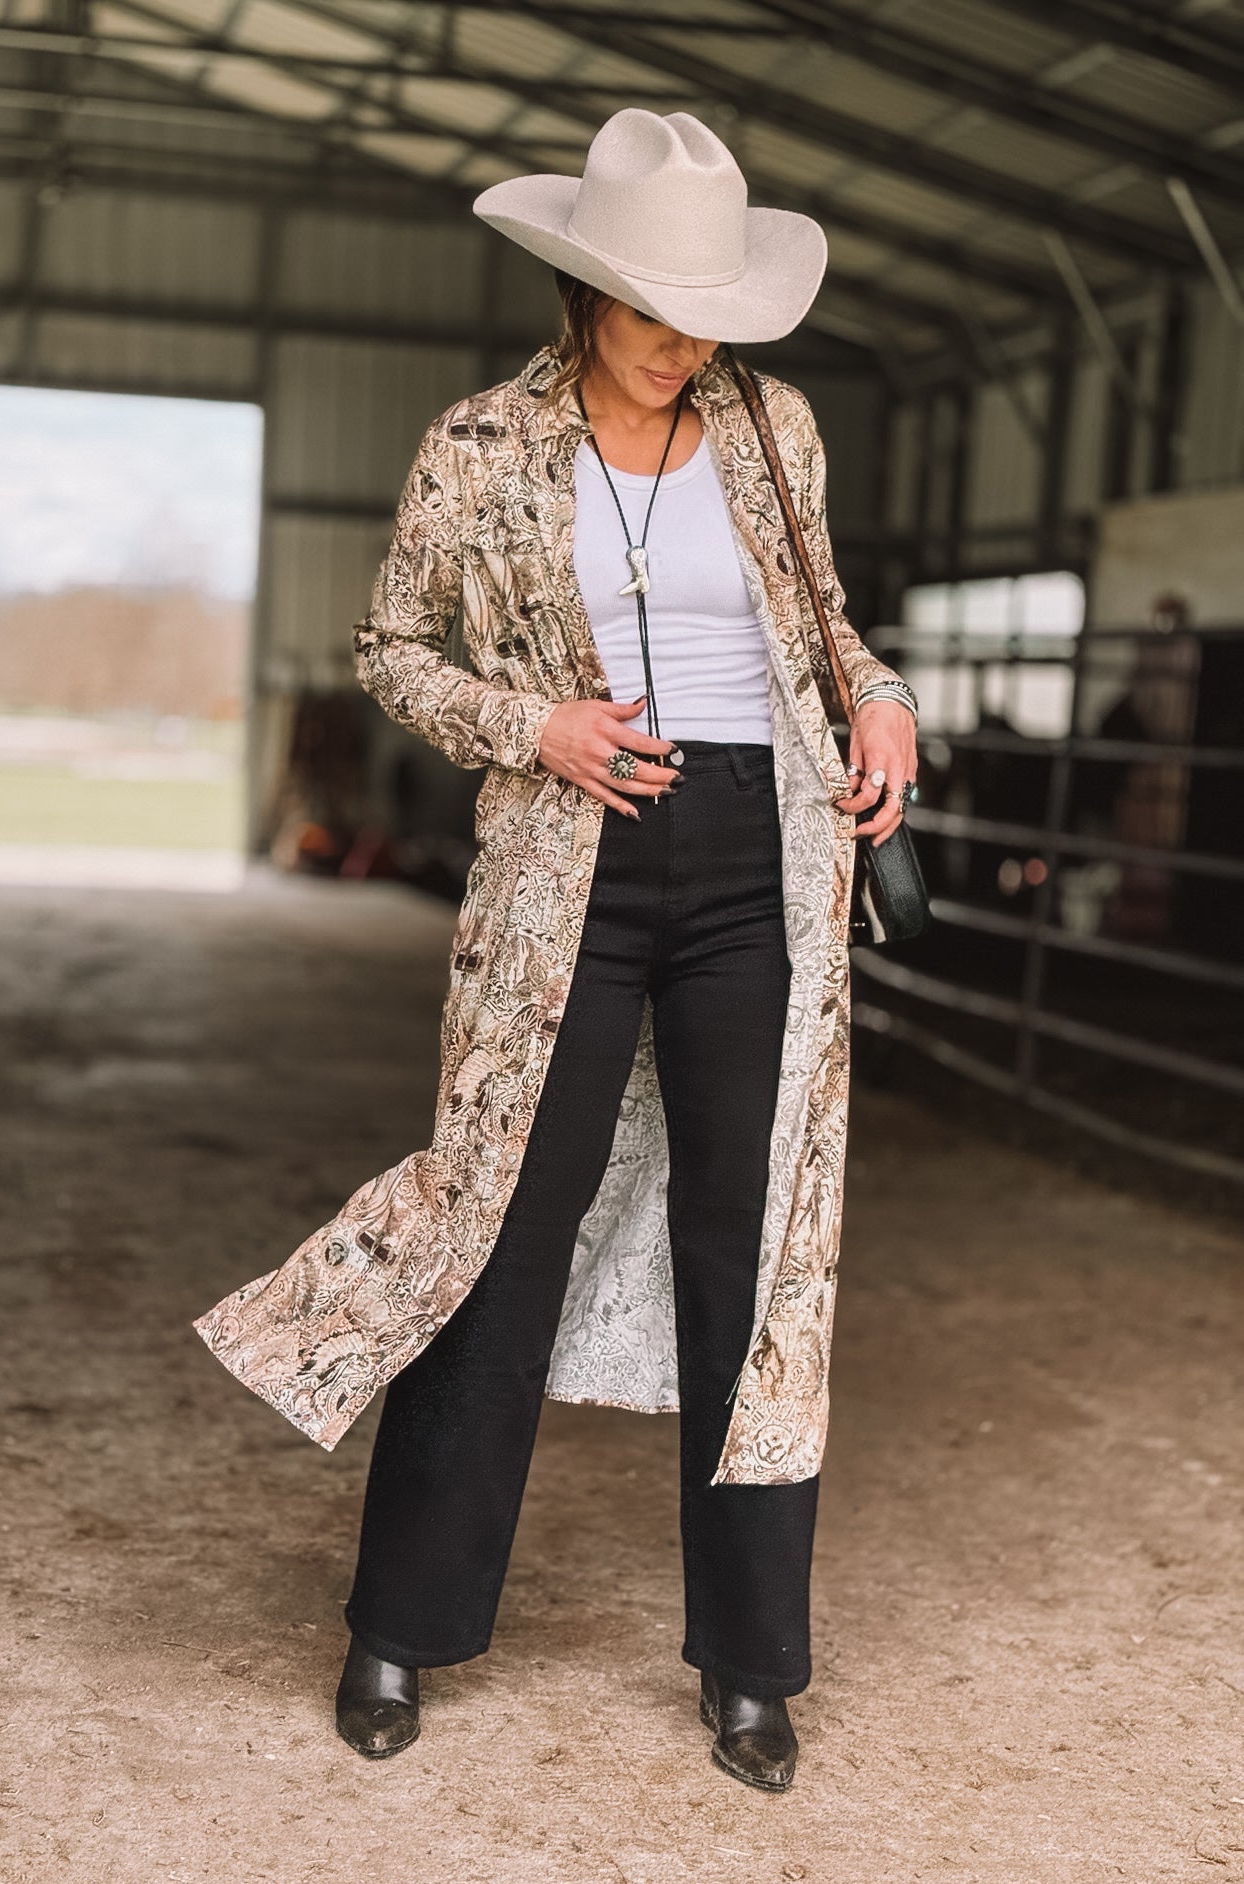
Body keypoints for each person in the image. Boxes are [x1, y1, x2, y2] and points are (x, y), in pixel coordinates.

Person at [192, 108, 920, 1792]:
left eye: (711, 311)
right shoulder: (480, 447)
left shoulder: (773, 426)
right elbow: (389, 649)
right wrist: (537, 724)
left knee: (755, 1259)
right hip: (568, 871)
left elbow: (829, 633)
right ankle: (399, 1627)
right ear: (586, 290)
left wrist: (882, 705)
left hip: (763, 860)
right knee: (505, 1235)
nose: (688, 342)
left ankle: (751, 1667)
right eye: (659, 308)